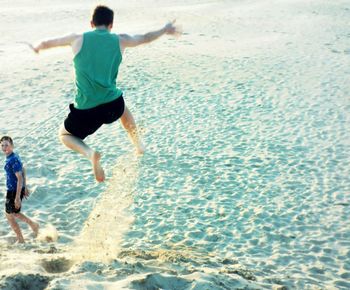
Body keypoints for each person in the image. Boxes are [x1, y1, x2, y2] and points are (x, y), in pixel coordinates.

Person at [29, 5, 181, 182]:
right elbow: (146, 38)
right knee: (122, 107)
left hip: (86, 112)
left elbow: (48, 43)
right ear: (111, 25)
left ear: (91, 23)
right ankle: (139, 145)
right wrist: (165, 29)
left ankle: (90, 153)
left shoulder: (77, 38)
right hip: (112, 106)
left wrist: (38, 46)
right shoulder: (120, 40)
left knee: (64, 135)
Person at [1, 136, 39, 243]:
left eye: (7, 145)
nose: (4, 147)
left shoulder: (12, 159)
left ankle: (22, 238)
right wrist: (25, 187)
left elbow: (20, 177)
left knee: (10, 215)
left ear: (12, 146)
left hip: (14, 191)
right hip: (15, 190)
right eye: (2, 145)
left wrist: (17, 197)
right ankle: (32, 225)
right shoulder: (12, 156)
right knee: (14, 213)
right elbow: (23, 169)